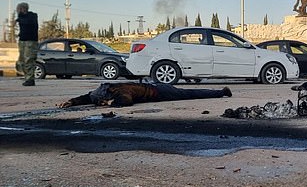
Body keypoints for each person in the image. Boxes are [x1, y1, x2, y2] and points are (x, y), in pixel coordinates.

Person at [59, 82, 232, 108]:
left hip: (160, 92)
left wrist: (111, 104)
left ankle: (220, 92)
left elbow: (126, 101)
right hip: (154, 89)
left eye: (103, 101)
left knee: (189, 93)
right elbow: (87, 97)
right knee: (188, 93)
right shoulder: (99, 92)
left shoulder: (118, 90)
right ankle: (220, 92)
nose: (101, 103)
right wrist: (72, 102)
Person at [14, 2, 38, 86]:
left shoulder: (32, 16)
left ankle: (30, 79)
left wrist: (19, 18)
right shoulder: (21, 17)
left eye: (19, 9)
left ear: (23, 9)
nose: (18, 11)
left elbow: (28, 22)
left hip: (31, 41)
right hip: (22, 41)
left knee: (29, 60)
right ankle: (27, 76)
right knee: (21, 61)